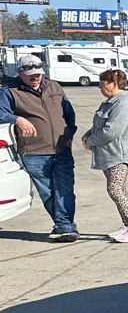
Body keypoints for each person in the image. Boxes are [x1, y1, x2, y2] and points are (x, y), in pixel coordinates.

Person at [0, 53, 79, 241]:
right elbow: (1, 112)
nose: (35, 78)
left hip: (61, 148)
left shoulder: (54, 86)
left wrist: (70, 134)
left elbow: (68, 113)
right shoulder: (9, 91)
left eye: (38, 74)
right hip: (33, 152)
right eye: (31, 75)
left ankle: (65, 225)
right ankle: (63, 225)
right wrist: (17, 118)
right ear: (19, 72)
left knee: (65, 189)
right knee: (48, 191)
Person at [81, 68, 128, 243]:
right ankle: (127, 225)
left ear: (114, 84)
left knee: (115, 189)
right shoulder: (110, 103)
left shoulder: (123, 105)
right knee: (118, 190)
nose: (99, 87)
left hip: (119, 156)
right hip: (109, 155)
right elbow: (99, 125)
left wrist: (91, 141)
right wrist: (87, 136)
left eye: (103, 84)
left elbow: (111, 131)